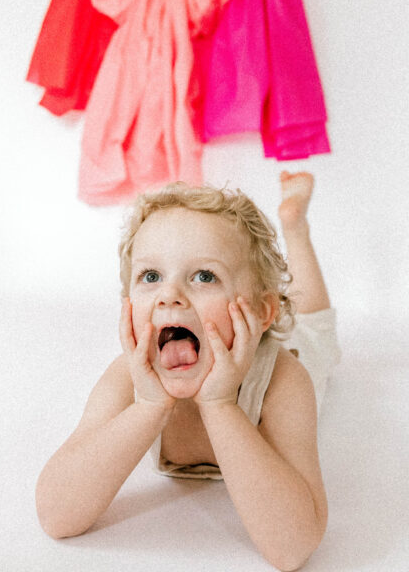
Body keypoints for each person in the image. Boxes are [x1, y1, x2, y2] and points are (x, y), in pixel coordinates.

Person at [36, 171, 340, 571]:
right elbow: (56, 517)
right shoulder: (129, 379)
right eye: (151, 276)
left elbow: (293, 548)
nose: (169, 296)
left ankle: (295, 228)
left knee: (314, 325)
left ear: (260, 311)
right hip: (150, 394)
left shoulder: (284, 382)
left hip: (298, 352)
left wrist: (220, 404)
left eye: (204, 276)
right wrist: (148, 405)